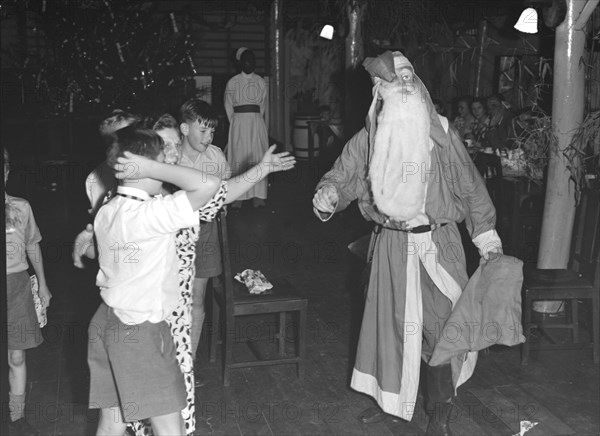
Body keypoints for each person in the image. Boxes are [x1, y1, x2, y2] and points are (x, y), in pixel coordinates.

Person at [312, 51, 502, 436]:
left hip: (439, 245)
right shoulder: (370, 137)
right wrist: (328, 194)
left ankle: (438, 413)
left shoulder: (441, 135)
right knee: (393, 329)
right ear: (380, 90)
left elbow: (471, 188)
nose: (406, 82)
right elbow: (342, 177)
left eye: (410, 74)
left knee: (443, 329)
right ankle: (394, 405)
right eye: (396, 77)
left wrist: (487, 238)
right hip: (391, 248)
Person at [178, 99, 231, 374]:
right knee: (175, 298)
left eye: (212, 132)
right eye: (203, 131)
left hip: (206, 233)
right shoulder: (170, 158)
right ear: (184, 129)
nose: (209, 138)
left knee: (196, 298)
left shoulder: (217, 157)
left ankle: (188, 361)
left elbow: (227, 193)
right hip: (175, 234)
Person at [5, 147, 52, 436]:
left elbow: (33, 245)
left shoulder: (22, 207)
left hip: (17, 288)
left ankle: (16, 417)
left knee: (17, 357)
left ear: (7, 172)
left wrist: (44, 284)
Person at [224, 47, 269, 208]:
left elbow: (262, 105)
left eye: (252, 60)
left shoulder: (260, 82)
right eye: (246, 60)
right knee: (239, 158)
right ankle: (238, 197)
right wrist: (236, 124)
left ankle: (258, 196)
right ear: (240, 63)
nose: (249, 63)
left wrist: (255, 120)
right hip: (239, 124)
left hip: (256, 123)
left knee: (258, 157)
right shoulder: (233, 82)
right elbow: (228, 105)